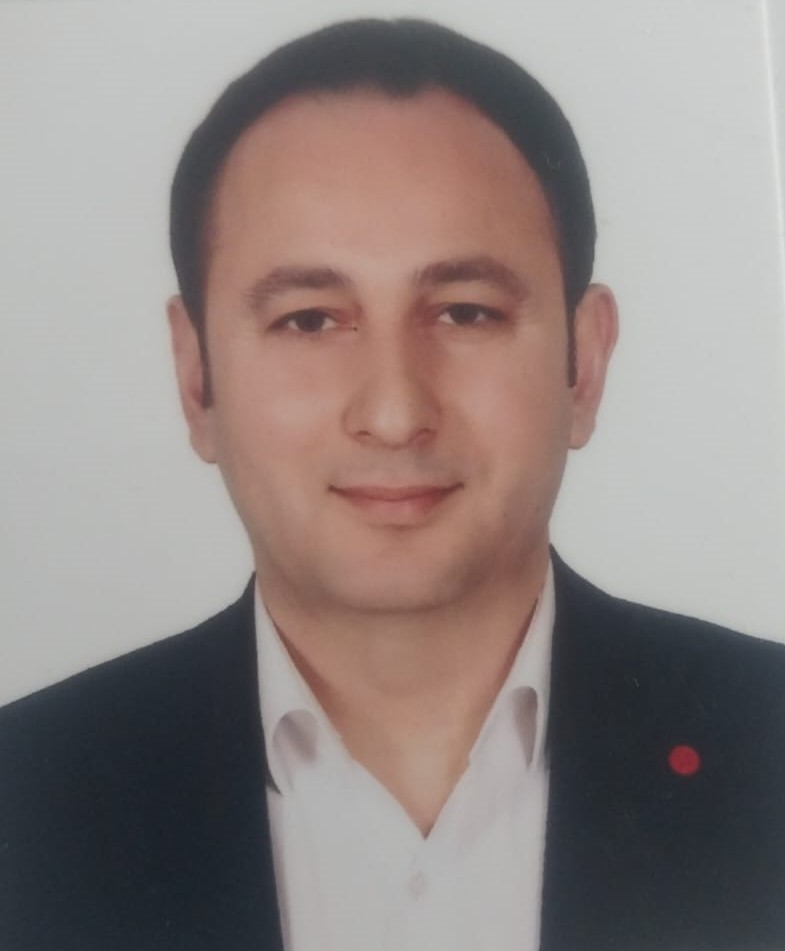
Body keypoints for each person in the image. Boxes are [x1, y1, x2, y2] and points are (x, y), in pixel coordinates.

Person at [1, 17, 783, 951]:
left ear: (583, 364)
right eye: (308, 320)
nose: (394, 411)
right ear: (196, 376)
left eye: (465, 312)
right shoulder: (26, 801)